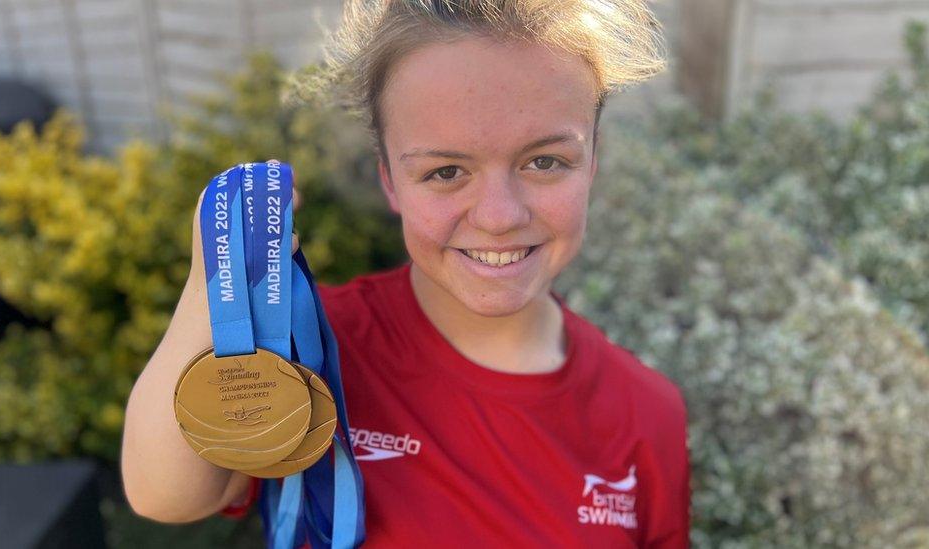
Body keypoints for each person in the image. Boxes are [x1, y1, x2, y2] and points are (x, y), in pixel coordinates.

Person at [121, 0, 689, 547]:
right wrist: (220, 274)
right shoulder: (312, 348)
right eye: (445, 171)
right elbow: (165, 498)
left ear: (593, 161)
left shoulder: (647, 413)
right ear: (390, 179)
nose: (499, 216)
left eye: (544, 162)